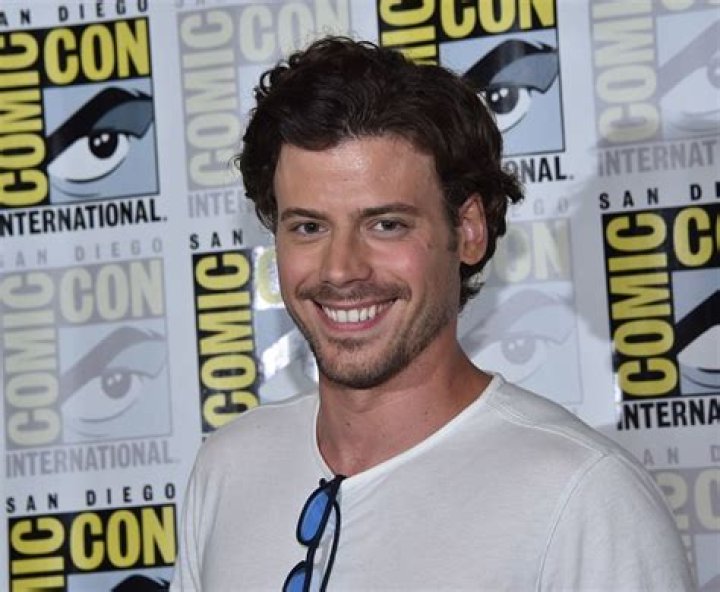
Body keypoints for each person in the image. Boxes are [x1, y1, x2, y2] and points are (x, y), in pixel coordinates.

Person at [171, 37, 693, 591]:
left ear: (468, 230)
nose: (341, 269)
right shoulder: (229, 467)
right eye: (309, 227)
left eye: (386, 225)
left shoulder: (582, 498)